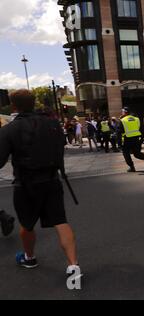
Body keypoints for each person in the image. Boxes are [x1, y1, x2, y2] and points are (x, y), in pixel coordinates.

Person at [0, 89, 79, 271]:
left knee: (27, 225)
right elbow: (60, 148)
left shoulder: (10, 129)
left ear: (13, 106)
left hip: (26, 184)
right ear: (34, 102)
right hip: (52, 179)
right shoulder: (52, 123)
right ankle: (74, 265)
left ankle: (30, 257)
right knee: (60, 221)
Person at [119, 107, 144, 172]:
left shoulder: (122, 120)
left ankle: (132, 167)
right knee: (136, 154)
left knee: (126, 154)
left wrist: (119, 142)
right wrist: (142, 138)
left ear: (124, 112)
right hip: (136, 139)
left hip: (126, 139)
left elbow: (119, 132)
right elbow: (142, 129)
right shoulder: (137, 119)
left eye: (122, 112)